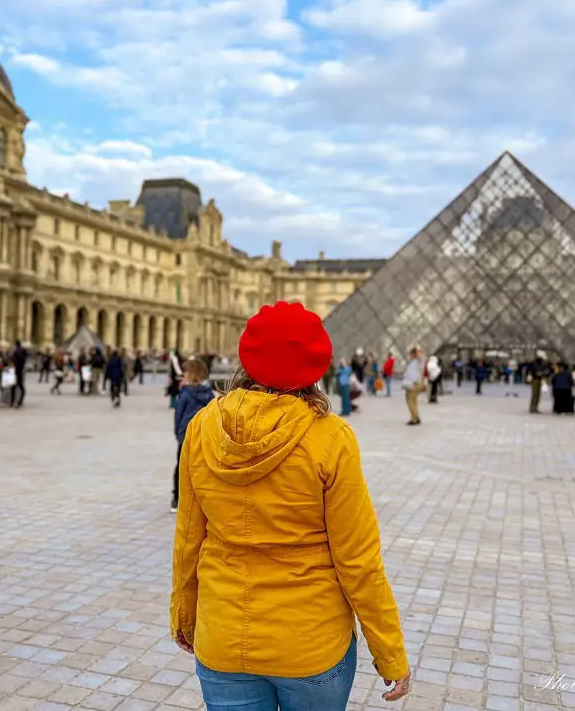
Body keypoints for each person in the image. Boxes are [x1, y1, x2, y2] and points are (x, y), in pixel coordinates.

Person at [170, 301, 411, 711]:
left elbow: (189, 537)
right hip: (309, 642)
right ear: (315, 366)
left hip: (224, 635)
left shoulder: (202, 426)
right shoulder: (332, 438)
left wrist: (183, 614)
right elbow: (358, 560)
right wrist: (389, 651)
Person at [172, 358, 215, 513]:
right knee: (200, 467)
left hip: (185, 434)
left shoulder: (186, 393)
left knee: (181, 467)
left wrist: (178, 433)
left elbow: (178, 415)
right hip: (203, 435)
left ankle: (177, 498)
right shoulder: (209, 394)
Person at [400, 346, 425, 425]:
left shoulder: (417, 362)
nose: (409, 356)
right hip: (412, 383)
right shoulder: (414, 362)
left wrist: (417, 352)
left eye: (411, 354)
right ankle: (415, 416)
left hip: (413, 384)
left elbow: (414, 373)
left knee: (411, 401)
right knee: (413, 401)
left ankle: (414, 418)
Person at [11, 341, 28, 407]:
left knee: (13, 387)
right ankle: (20, 401)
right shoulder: (23, 351)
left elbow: (14, 361)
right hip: (20, 371)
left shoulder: (16, 352)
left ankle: (12, 401)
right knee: (20, 386)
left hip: (15, 371)